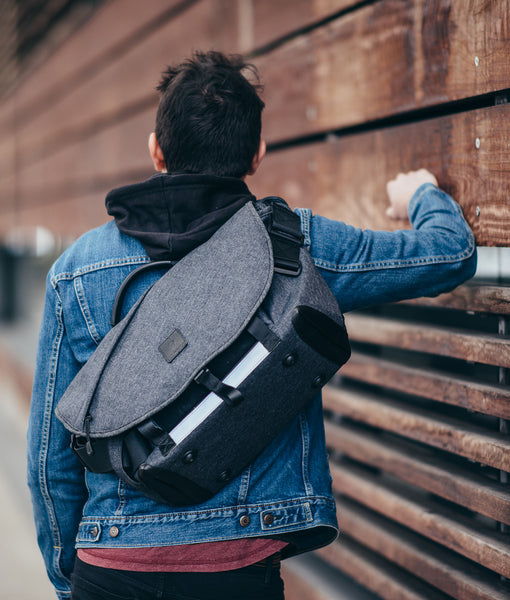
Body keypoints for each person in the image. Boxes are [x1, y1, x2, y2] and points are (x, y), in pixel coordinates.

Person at [27, 51, 477, 600]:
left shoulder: (75, 271)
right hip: (238, 564)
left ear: (156, 150)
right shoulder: (293, 245)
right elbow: (450, 253)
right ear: (257, 154)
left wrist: (66, 576)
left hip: (114, 560)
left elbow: (50, 458)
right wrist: (420, 193)